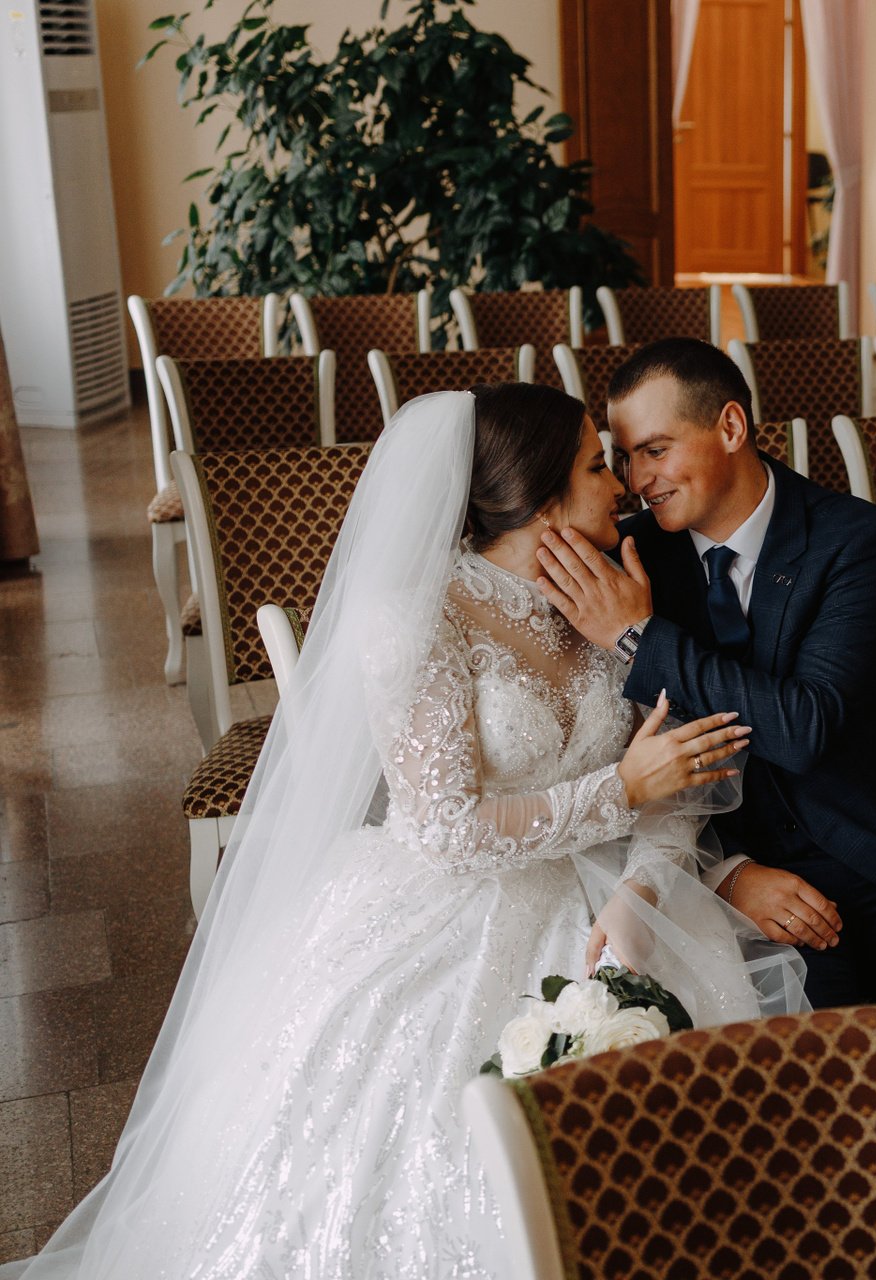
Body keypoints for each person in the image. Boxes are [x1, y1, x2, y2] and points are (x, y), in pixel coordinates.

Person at [4, 384, 813, 1279]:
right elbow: (446, 830)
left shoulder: (608, 595)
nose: (621, 483)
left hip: (606, 884)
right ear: (540, 494)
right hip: (452, 899)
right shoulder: (418, 614)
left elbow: (676, 773)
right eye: (597, 466)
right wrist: (619, 789)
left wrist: (644, 886)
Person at [532, 338, 876, 1279]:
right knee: (833, 1097)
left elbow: (808, 725)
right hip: (745, 891)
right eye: (623, 457)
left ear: (731, 426)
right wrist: (729, 875)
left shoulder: (861, 542)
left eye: (656, 450)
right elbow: (608, 760)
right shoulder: (633, 554)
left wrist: (641, 636)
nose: (637, 480)